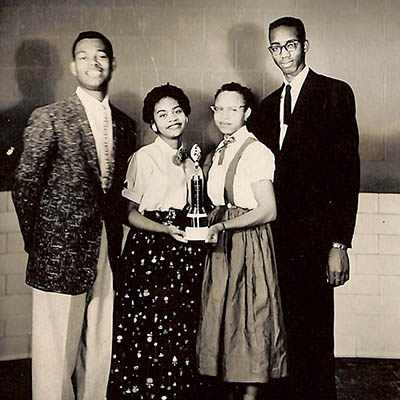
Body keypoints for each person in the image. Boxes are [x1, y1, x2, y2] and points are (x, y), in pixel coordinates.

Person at [12, 31, 136, 400]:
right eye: (83, 57)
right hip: (58, 252)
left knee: (99, 345)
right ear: (72, 67)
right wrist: (42, 243)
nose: (93, 63)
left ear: (112, 64)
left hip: (105, 249)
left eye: (101, 56)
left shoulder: (124, 123)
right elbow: (25, 184)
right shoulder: (49, 117)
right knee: (55, 354)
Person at [251, 16, 360, 400]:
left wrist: (339, 244)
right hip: (274, 241)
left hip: (315, 243)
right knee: (279, 336)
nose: (283, 54)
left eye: (290, 45)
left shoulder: (334, 93)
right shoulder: (266, 107)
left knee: (314, 338)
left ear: (304, 45)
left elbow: (347, 173)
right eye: (276, 48)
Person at [107, 83, 207, 399]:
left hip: (185, 250)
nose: (172, 118)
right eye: (162, 114)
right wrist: (164, 230)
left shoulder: (194, 156)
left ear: (187, 116)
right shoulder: (143, 157)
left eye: (177, 111)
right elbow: (130, 214)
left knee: (180, 323)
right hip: (149, 252)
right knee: (148, 326)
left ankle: (175, 391)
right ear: (152, 123)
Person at [196, 82, 287, 400]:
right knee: (225, 317)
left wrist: (224, 226)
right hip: (221, 245)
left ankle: (250, 396)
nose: (224, 115)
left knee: (248, 315)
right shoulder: (218, 151)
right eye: (218, 108)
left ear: (247, 112)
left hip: (247, 243)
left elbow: (268, 210)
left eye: (232, 109)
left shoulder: (256, 151)